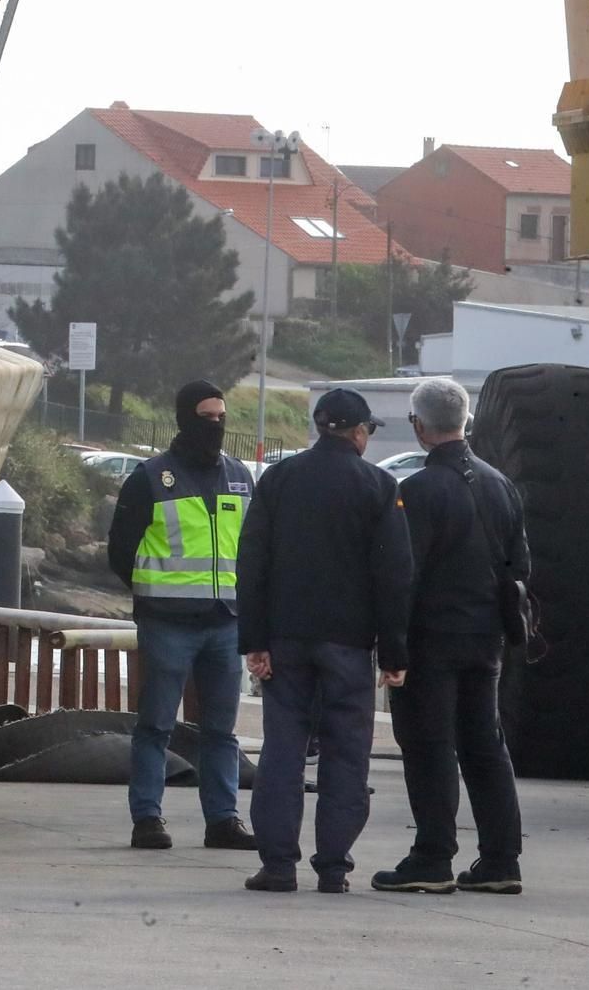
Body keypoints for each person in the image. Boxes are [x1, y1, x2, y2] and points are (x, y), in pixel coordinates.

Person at [237, 387, 413, 894]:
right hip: (350, 645)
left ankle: (277, 865)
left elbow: (252, 562)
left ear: (320, 428)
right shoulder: (379, 486)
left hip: (286, 639)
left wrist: (255, 640)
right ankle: (333, 868)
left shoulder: (279, 479)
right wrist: (394, 652)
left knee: (283, 751)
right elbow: (394, 574)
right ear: (359, 432)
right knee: (346, 753)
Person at [373, 377, 528, 896]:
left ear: (419, 426)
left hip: (431, 640)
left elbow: (402, 576)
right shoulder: (499, 484)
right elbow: (520, 565)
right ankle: (501, 858)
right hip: (487, 639)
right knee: (485, 745)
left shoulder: (416, 491)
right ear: (465, 422)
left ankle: (433, 856)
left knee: (428, 746)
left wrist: (391, 648)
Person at [106, 380, 254, 852]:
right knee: (155, 725)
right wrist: (152, 596)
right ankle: (147, 818)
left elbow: (253, 548)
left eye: (221, 417)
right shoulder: (150, 478)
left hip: (225, 622)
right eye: (206, 417)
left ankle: (223, 821)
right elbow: (119, 551)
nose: (215, 425)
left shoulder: (240, 477)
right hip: (167, 622)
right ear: (184, 418)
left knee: (221, 731)